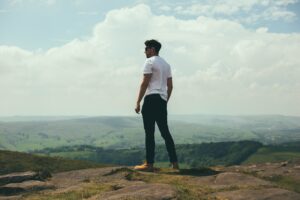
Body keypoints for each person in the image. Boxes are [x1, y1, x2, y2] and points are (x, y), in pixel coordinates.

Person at [134, 39, 179, 172]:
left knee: (149, 133)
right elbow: (170, 86)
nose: (145, 51)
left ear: (152, 49)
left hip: (151, 98)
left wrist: (137, 102)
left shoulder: (149, 62)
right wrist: (165, 100)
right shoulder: (166, 64)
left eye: (146, 49)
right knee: (165, 133)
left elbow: (145, 83)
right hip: (161, 100)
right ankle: (175, 163)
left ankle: (149, 164)